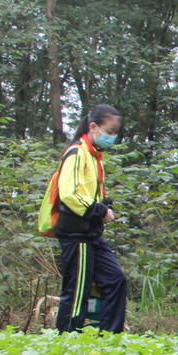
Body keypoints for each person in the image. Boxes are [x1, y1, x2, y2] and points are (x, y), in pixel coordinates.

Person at [44, 105, 128, 333]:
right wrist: (99, 211)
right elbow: (69, 193)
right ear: (93, 127)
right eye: (109, 131)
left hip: (91, 232)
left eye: (114, 132)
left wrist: (104, 205)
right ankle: (68, 338)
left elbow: (91, 191)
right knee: (77, 289)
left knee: (116, 280)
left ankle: (110, 335)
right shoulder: (76, 153)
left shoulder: (95, 156)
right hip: (75, 233)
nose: (112, 137)